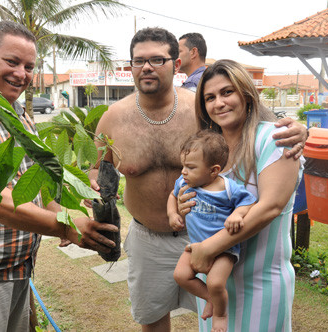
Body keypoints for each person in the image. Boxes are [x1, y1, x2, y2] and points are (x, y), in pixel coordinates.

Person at [89, 27, 307, 332]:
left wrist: (300, 129)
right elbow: (93, 171)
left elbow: (254, 120)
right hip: (149, 237)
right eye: (139, 61)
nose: (147, 67)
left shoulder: (200, 109)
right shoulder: (113, 118)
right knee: (153, 319)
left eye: (157, 59)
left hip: (206, 235)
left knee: (219, 310)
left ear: (176, 65)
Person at [0, 21, 117, 332]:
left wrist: (72, 213)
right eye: (12, 62)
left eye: (29, 66)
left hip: (18, 268)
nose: (22, 74)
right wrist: (65, 228)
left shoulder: (18, 117)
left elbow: (36, 185)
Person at [177, 59, 303, 331]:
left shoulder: (274, 139)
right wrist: (182, 202)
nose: (218, 103)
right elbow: (191, 189)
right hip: (213, 284)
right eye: (209, 97)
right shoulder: (209, 149)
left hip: (260, 284)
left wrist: (209, 248)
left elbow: (271, 206)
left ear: (246, 94)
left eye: (227, 92)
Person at [168, 130, 256, 331]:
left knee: (216, 283)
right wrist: (172, 214)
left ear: (214, 170)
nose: (183, 171)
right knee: (180, 276)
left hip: (223, 249)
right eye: (183, 165)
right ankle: (211, 298)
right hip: (195, 246)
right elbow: (172, 196)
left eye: (190, 167)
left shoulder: (227, 188)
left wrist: (237, 214)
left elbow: (248, 202)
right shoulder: (184, 183)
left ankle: (221, 315)